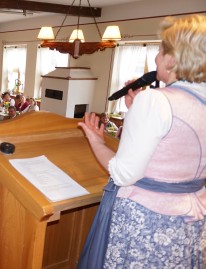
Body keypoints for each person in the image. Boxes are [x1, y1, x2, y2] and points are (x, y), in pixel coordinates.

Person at [78, 15, 206, 268]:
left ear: (172, 58)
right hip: (188, 222)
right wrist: (138, 112)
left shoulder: (157, 100)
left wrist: (96, 140)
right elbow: (179, 146)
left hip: (148, 222)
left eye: (159, 50)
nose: (156, 58)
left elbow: (123, 174)